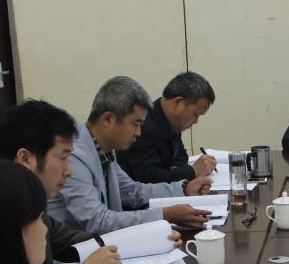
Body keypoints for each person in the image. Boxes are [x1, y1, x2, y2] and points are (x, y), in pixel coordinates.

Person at [0, 99, 120, 264]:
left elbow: (66, 239)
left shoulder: (28, 199)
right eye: (63, 158)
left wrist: (142, 240)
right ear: (25, 159)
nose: (69, 170)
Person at [49, 76, 214, 233]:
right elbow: (97, 221)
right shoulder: (73, 157)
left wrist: (184, 188)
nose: (139, 133)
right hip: (76, 250)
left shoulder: (104, 149)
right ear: (108, 119)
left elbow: (132, 192)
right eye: (136, 124)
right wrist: (165, 214)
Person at [118, 71, 217, 183]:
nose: (196, 121)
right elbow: (149, 179)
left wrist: (178, 168)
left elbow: (180, 154)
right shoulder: (142, 126)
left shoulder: (171, 119)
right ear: (178, 103)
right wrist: (192, 171)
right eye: (195, 114)